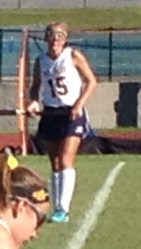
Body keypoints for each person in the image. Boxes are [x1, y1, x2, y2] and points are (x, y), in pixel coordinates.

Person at [27, 22, 97, 224]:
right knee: (55, 162)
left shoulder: (73, 55)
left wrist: (79, 104)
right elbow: (35, 87)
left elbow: (91, 81)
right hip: (51, 112)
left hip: (71, 113)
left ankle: (62, 209)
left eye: (60, 36)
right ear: (46, 39)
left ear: (65, 39)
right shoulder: (41, 61)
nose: (55, 40)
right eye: (52, 36)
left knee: (66, 160)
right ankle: (56, 205)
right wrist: (33, 102)